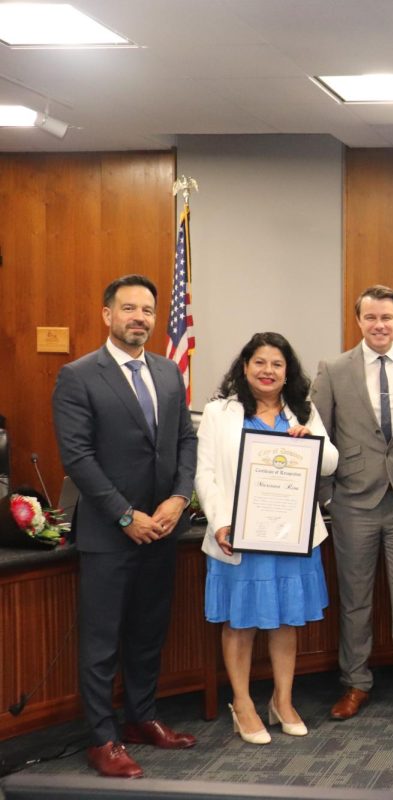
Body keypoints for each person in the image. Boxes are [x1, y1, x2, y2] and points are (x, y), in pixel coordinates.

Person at [52, 275, 198, 778]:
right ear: (106, 314)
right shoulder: (78, 375)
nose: (140, 317)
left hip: (162, 528)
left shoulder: (167, 372)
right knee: (102, 641)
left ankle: (141, 719)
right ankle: (102, 739)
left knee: (147, 632)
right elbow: (78, 456)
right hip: (108, 535)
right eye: (129, 308)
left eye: (147, 310)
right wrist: (124, 515)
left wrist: (179, 499)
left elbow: (185, 442)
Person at [196, 332, 339, 744]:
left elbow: (329, 461)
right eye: (259, 362)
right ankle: (242, 703)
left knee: (284, 621)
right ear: (244, 367)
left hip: (289, 534)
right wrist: (221, 522)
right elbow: (205, 473)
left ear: (287, 371)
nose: (268, 371)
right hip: (238, 536)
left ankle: (283, 699)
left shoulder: (303, 412)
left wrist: (310, 440)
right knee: (240, 622)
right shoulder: (219, 412)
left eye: (277, 364)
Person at [311, 285, 393, 723]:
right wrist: (326, 495)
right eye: (371, 318)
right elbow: (319, 435)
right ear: (359, 320)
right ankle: (355, 683)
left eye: (387, 317)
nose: (380, 325)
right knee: (355, 599)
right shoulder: (333, 369)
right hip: (352, 501)